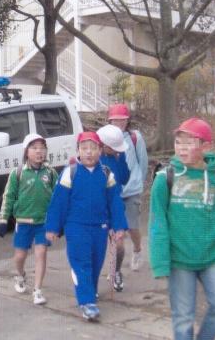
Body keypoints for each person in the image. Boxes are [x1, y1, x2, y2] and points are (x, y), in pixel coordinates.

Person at [149, 117, 215, 340]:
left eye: (190, 142)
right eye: (178, 142)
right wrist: (160, 261)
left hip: (212, 255)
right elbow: (158, 221)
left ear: (206, 146)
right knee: (183, 317)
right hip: (180, 259)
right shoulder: (165, 178)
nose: (183, 148)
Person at [45, 132, 128, 322]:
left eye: (93, 148)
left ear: (100, 150)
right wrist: (53, 227)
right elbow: (59, 202)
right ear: (78, 151)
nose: (89, 153)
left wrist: (118, 226)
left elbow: (114, 201)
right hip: (76, 227)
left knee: (96, 263)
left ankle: (91, 292)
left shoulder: (107, 173)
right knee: (81, 264)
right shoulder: (70, 172)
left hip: (100, 227)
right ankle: (87, 302)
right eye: (84, 148)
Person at [0, 133, 59, 306]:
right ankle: (20, 275)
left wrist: (57, 222)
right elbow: (8, 197)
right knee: (19, 256)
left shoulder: (51, 173)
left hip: (43, 223)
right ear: (26, 152)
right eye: (35, 148)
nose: (39, 152)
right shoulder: (17, 173)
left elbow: (57, 199)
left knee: (41, 253)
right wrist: (3, 220)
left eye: (42, 148)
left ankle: (38, 290)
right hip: (23, 222)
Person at [107, 103, 148, 271]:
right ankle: (116, 260)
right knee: (116, 228)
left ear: (127, 121)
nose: (119, 124)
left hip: (132, 189)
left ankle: (137, 250)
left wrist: (139, 182)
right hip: (113, 190)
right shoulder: (106, 138)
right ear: (110, 121)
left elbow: (143, 161)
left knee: (132, 226)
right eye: (115, 121)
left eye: (122, 120)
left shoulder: (134, 137)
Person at [96, 124, 130, 292]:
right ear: (103, 146)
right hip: (97, 209)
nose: (118, 151)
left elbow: (124, 178)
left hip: (116, 204)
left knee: (120, 244)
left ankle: (116, 271)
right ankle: (91, 281)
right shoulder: (93, 159)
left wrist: (120, 159)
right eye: (114, 148)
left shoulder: (119, 156)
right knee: (96, 248)